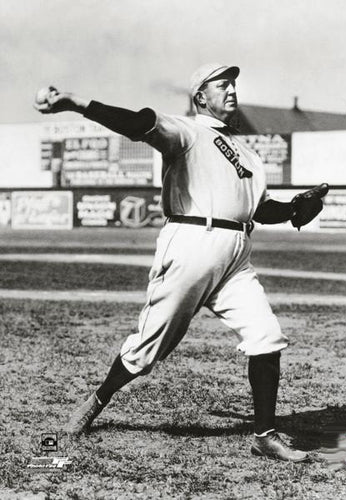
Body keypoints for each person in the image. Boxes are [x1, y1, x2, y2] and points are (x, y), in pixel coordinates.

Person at [35, 63, 310, 462]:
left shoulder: (250, 154)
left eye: (233, 83)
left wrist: (296, 209)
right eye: (222, 84)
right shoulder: (187, 131)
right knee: (146, 349)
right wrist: (76, 103)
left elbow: (261, 209)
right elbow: (138, 122)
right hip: (192, 241)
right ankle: (95, 402)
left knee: (267, 336)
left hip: (237, 252)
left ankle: (265, 435)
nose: (231, 90)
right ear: (201, 96)